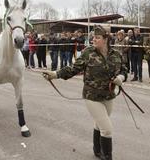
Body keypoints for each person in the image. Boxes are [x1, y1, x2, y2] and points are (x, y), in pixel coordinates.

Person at [42, 25, 128, 160]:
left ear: (106, 39)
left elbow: (124, 70)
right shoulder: (88, 53)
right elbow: (73, 69)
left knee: (100, 124)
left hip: (109, 95)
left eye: (97, 37)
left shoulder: (116, 54)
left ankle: (97, 150)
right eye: (93, 37)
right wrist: (55, 74)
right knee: (107, 129)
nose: (94, 39)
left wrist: (121, 78)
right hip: (92, 96)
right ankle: (107, 156)